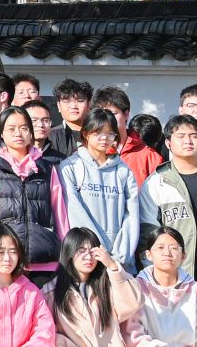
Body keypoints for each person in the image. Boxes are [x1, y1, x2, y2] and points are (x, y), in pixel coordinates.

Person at [136, 115, 197, 285]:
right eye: (181, 136)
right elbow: (147, 237)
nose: (188, 141)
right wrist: (157, 278)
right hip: (173, 278)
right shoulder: (156, 183)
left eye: (194, 136)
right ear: (168, 143)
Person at [0, 107, 65, 287]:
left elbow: (60, 215)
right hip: (7, 262)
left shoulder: (47, 169)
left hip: (45, 261)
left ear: (31, 133)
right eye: (11, 128)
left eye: (24, 128)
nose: (18, 133)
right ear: (1, 133)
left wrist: (66, 252)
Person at [58, 114, 140, 265]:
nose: (104, 138)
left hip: (120, 261)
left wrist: (119, 256)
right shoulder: (70, 167)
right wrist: (98, 251)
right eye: (98, 132)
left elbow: (132, 215)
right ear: (85, 134)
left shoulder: (124, 170)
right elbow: (74, 212)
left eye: (110, 133)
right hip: (86, 258)